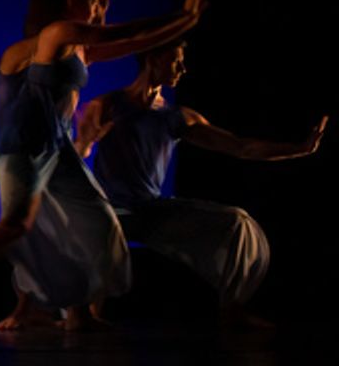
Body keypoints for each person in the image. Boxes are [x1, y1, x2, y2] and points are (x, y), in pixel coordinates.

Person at [0, 0, 205, 331]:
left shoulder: (75, 46)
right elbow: (127, 35)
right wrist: (184, 17)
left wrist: (108, 15)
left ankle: (79, 314)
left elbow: (116, 43)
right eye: (92, 2)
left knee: (96, 221)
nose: (96, 7)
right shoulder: (56, 34)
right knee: (16, 225)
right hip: (25, 146)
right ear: (71, 2)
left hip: (58, 149)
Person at [77, 41, 326, 327]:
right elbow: (77, 151)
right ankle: (89, 314)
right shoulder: (107, 106)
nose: (183, 69)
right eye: (175, 61)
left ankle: (231, 309)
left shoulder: (176, 117)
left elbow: (240, 147)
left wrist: (298, 149)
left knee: (237, 223)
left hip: (151, 211)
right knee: (91, 226)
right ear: (152, 59)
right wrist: (88, 140)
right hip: (113, 211)